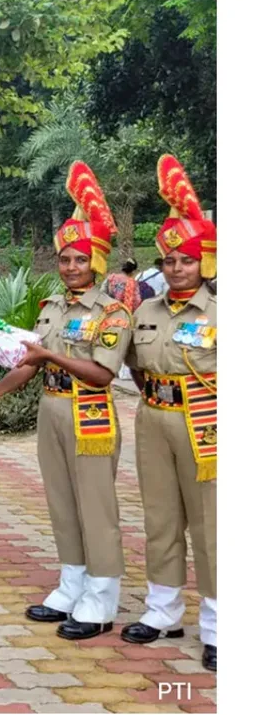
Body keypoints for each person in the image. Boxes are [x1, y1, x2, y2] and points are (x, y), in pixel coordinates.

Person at [0, 162, 131, 640]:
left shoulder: (112, 312)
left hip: (90, 413)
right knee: (61, 502)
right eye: (65, 260)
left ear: (96, 262)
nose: (71, 267)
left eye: (80, 260)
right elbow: (30, 361)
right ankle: (71, 584)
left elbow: (102, 373)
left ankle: (101, 599)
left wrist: (49, 355)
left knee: (96, 507)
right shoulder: (53, 308)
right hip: (53, 410)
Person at [121, 154, 217, 673]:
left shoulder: (224, 313)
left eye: (187, 259)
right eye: (171, 260)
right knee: (160, 517)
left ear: (205, 261)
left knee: (213, 524)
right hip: (153, 418)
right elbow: (132, 365)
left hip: (206, 424)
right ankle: (163, 611)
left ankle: (220, 625)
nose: (177, 267)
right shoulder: (145, 311)